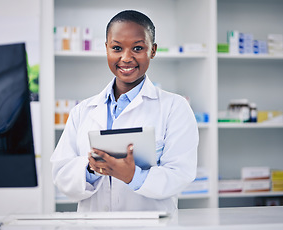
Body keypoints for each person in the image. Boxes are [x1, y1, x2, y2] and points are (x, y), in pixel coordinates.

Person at [50, 10, 199, 213]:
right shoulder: (82, 111)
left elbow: (180, 174)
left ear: (153, 51)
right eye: (117, 48)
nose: (126, 58)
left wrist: (133, 176)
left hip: (150, 229)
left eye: (137, 48)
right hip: (94, 228)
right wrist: (91, 169)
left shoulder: (174, 107)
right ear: (106, 49)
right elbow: (61, 173)